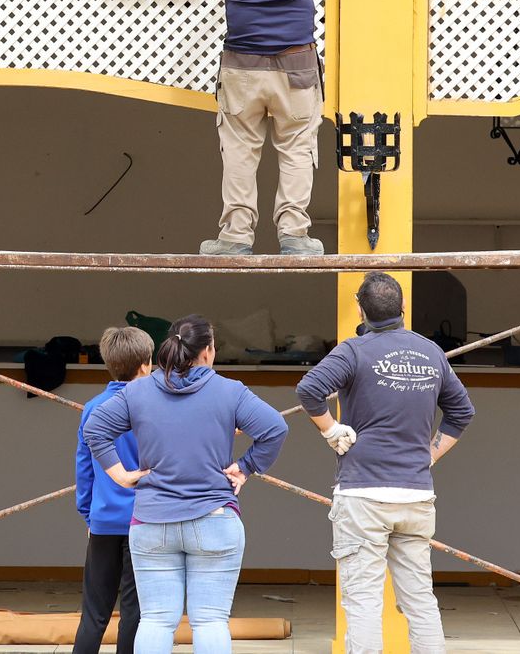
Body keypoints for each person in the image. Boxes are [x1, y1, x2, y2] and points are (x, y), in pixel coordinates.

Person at [82, 315, 287, 654]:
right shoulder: (229, 391)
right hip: (214, 518)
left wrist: (120, 475)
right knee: (209, 621)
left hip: (151, 523)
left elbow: (95, 428)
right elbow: (275, 429)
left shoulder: (139, 391)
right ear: (207, 351)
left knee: (156, 620)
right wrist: (247, 467)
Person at [293, 272, 475, 654]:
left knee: (363, 602)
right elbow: (462, 412)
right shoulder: (430, 353)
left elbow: (310, 390)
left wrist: (331, 430)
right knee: (420, 600)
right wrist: (431, 455)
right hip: (415, 497)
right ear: (404, 306)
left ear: (360, 308)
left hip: (363, 495)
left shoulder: (354, 351)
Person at [195, 0, 341, 257]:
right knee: (295, 147)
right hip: (297, 63)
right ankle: (294, 235)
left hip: (242, 64)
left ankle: (235, 238)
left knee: (241, 149)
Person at [72, 326, 151, 654]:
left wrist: (89, 514)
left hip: (103, 520)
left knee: (94, 612)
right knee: (135, 611)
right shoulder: (153, 408)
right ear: (146, 365)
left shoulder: (93, 407)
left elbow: (84, 468)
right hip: (144, 521)